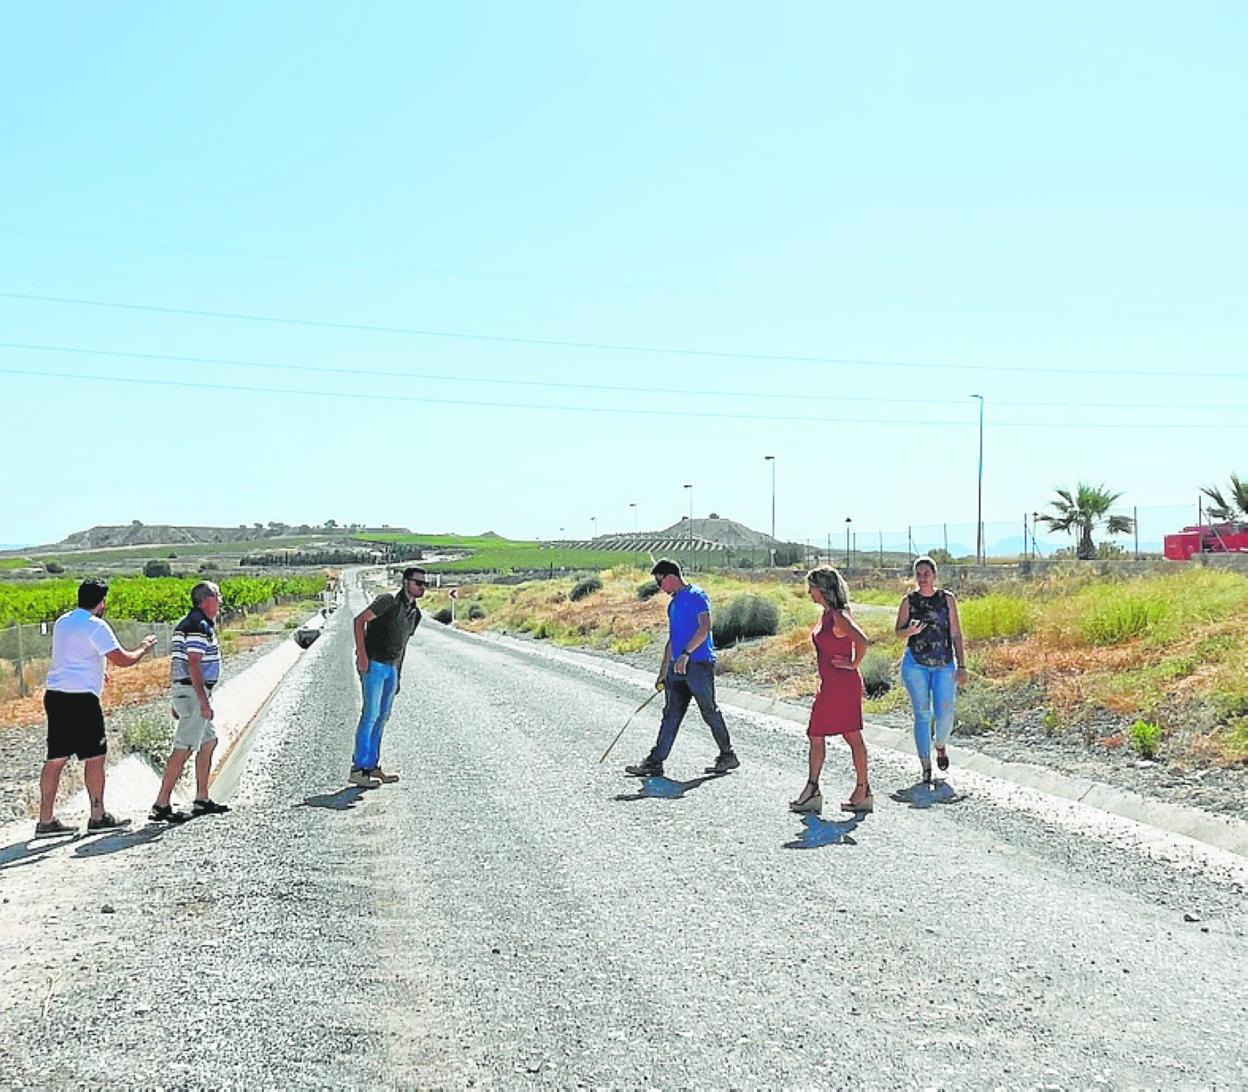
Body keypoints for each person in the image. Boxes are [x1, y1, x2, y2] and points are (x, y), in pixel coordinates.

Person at [36, 578, 157, 837]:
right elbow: (124, 660)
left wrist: (96, 671)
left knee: (56, 758)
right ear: (101, 602)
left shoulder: (63, 621)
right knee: (95, 756)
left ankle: (45, 820)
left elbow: (73, 655)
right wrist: (144, 649)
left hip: (56, 695)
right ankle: (98, 815)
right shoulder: (96, 626)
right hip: (82, 699)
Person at [625, 559, 739, 778]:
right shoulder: (673, 604)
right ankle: (655, 762)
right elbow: (672, 640)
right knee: (671, 714)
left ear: (670, 577)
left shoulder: (697, 596)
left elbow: (705, 628)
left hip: (698, 664)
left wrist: (686, 654)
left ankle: (727, 754)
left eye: (660, 582)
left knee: (709, 710)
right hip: (677, 668)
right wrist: (663, 671)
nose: (660, 587)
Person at [790, 566, 872, 814]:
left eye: (811, 587)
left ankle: (858, 790)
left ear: (822, 588)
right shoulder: (828, 614)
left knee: (848, 736)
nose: (809, 592)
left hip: (842, 685)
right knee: (819, 734)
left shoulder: (838, 616)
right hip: (830, 684)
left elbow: (863, 640)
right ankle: (828, 790)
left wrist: (853, 663)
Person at [149, 582, 230, 823]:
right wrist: (203, 701)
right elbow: (193, 663)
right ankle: (161, 804)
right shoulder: (198, 626)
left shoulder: (188, 624)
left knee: (209, 742)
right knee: (183, 747)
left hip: (188, 692)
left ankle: (202, 798)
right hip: (195, 693)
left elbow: (178, 661)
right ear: (208, 599)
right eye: (218, 596)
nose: (221, 601)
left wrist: (177, 698)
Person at [348, 566, 427, 787]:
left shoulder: (415, 614)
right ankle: (358, 769)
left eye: (424, 584)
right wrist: (362, 655)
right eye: (417, 583)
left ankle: (372, 766)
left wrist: (398, 675)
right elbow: (359, 621)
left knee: (382, 717)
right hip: (373, 664)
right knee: (370, 715)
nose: (422, 587)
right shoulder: (387, 602)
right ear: (405, 582)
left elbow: (402, 646)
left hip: (391, 669)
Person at [894, 556, 968, 783]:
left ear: (934, 575)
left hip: (943, 663)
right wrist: (910, 632)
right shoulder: (909, 601)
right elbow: (898, 631)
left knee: (945, 712)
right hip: (916, 664)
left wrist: (962, 665)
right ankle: (925, 764)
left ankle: (940, 744)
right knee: (922, 714)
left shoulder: (946, 599)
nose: (922, 578)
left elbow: (955, 633)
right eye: (918, 574)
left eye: (926, 573)